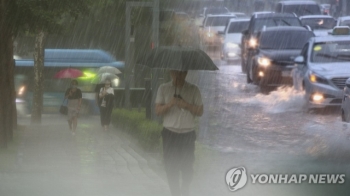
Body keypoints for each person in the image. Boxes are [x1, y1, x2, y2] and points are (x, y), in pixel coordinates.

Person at [155, 70, 203, 196]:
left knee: (187, 167)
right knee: (171, 167)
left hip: (187, 134)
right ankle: (175, 193)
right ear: (170, 73)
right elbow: (158, 110)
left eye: (181, 73)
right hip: (170, 134)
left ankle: (185, 188)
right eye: (175, 73)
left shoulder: (194, 89)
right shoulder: (163, 88)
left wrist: (185, 105)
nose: (178, 76)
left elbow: (200, 111)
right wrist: (170, 104)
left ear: (186, 73)